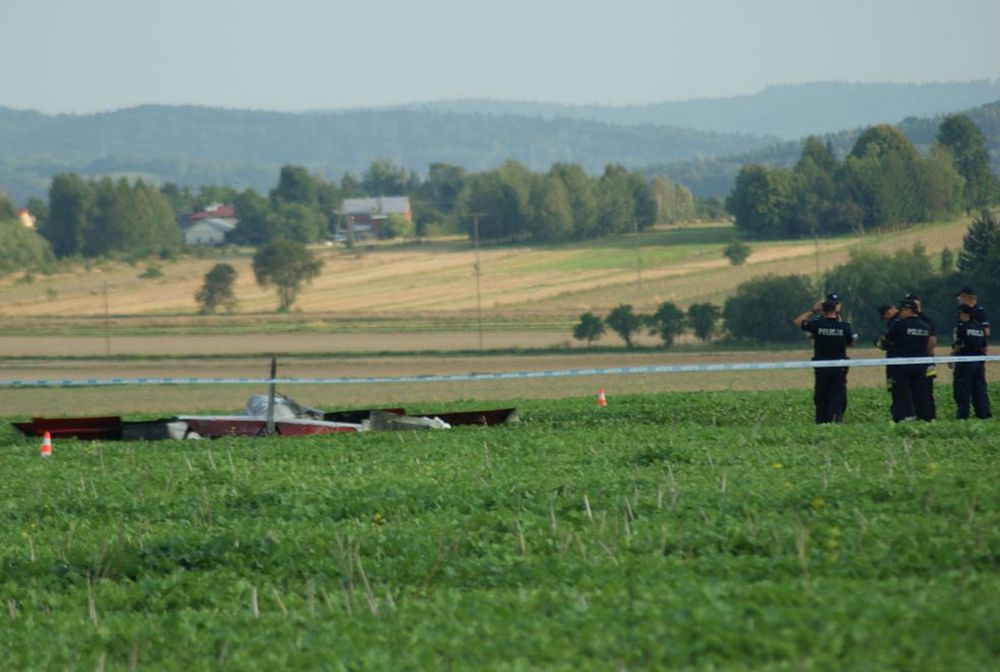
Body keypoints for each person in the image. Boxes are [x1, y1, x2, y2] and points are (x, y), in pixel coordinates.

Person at [793, 298, 857, 423]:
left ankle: (821, 422)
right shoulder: (844, 327)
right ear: (836, 310)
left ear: (823, 311)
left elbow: (798, 321)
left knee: (821, 395)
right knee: (837, 396)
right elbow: (851, 343)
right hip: (839, 368)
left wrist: (813, 310)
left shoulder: (817, 325)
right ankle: (835, 421)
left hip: (821, 367)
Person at [883, 298, 933, 422]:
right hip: (921, 365)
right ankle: (925, 418)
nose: (900, 312)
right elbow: (929, 344)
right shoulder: (925, 326)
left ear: (909, 310)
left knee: (901, 393)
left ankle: (900, 418)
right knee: (921, 393)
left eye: (902, 310)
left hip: (902, 365)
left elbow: (887, 339)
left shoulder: (900, 325)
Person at [951, 304, 992, 420]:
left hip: (965, 362)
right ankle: (983, 414)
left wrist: (952, 356)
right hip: (978, 362)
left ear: (963, 314)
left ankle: (963, 415)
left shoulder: (961, 326)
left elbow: (958, 345)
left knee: (962, 389)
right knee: (979, 389)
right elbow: (984, 347)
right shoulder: (979, 326)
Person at [903, 293, 938, 419]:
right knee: (914, 390)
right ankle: (918, 414)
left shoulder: (926, 320)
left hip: (926, 361)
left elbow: (932, 342)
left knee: (927, 389)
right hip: (915, 360)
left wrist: (924, 356)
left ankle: (929, 415)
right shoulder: (905, 320)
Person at [875, 304, 901, 418]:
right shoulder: (900, 320)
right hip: (899, 360)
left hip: (895, 361)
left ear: (888, 312)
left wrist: (880, 342)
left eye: (885, 317)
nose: (885, 319)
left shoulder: (895, 322)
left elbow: (888, 341)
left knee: (897, 389)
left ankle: (898, 412)